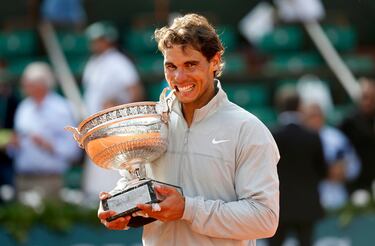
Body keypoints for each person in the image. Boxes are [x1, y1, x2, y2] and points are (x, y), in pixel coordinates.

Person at [98, 13, 280, 246]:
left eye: (190, 65)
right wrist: (119, 205)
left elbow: (264, 219)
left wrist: (188, 209)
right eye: (171, 66)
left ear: (215, 61)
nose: (179, 77)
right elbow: (133, 181)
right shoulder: (152, 123)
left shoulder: (248, 129)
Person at [82, 21, 145, 199]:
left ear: (108, 40)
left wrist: (117, 104)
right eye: (93, 40)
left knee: (113, 179)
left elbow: (135, 90)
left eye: (99, 39)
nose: (96, 43)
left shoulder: (118, 61)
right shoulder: (93, 62)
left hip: (113, 129)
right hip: (94, 129)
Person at [9, 62, 81, 200]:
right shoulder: (23, 107)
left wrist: (48, 145)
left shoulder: (62, 108)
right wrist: (14, 144)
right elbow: (17, 143)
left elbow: (73, 148)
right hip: (23, 178)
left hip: (50, 178)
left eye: (29, 84)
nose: (24, 88)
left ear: (41, 85)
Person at [269, 86, 326, 246]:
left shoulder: (271, 135)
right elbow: (322, 171)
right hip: (307, 206)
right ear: (300, 107)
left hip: (278, 207)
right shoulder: (313, 136)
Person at [303, 102, 361, 210]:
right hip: (308, 198)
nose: (314, 119)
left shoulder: (335, 138)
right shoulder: (299, 139)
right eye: (310, 116)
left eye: (317, 115)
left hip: (336, 196)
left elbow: (354, 165)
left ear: (323, 116)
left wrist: (344, 172)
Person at [339, 78, 375, 192]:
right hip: (357, 181)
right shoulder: (349, 121)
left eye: (372, 98)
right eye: (365, 97)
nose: (368, 102)